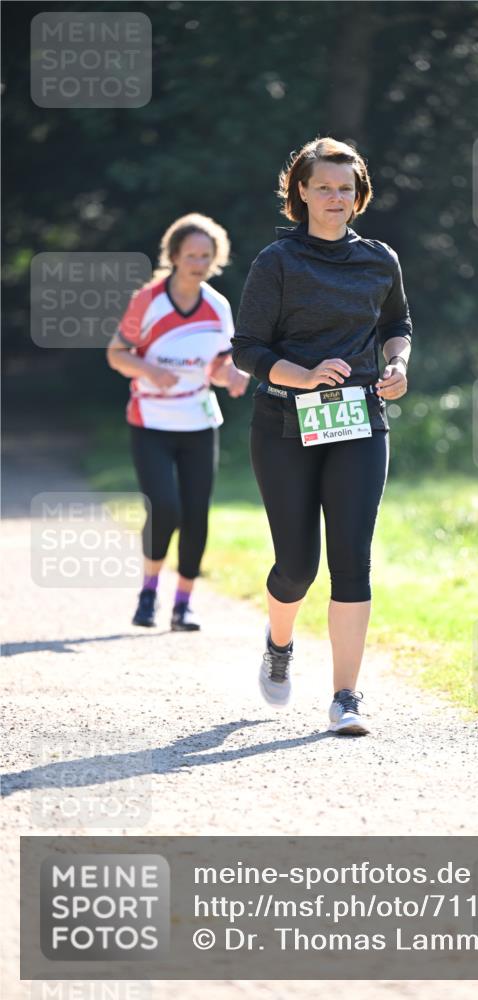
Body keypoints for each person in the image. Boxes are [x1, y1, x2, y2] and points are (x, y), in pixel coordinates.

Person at [231, 137, 411, 735]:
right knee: (297, 567)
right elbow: (250, 349)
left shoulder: (380, 259)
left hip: (359, 421)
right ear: (301, 192)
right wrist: (304, 376)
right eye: (325, 187)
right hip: (283, 424)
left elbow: (396, 323)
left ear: (360, 196)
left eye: (347, 188)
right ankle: (279, 644)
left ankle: (346, 698)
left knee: (352, 562)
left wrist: (396, 364)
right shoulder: (276, 263)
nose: (337, 198)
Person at [107, 212, 249, 631]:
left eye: (206, 256)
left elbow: (220, 365)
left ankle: (183, 603)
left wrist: (232, 376)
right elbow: (117, 353)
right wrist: (150, 371)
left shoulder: (217, 305)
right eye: (191, 255)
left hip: (199, 421)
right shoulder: (147, 301)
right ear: (173, 256)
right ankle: (149, 592)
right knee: (164, 508)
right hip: (151, 419)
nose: (198, 263)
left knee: (196, 514)